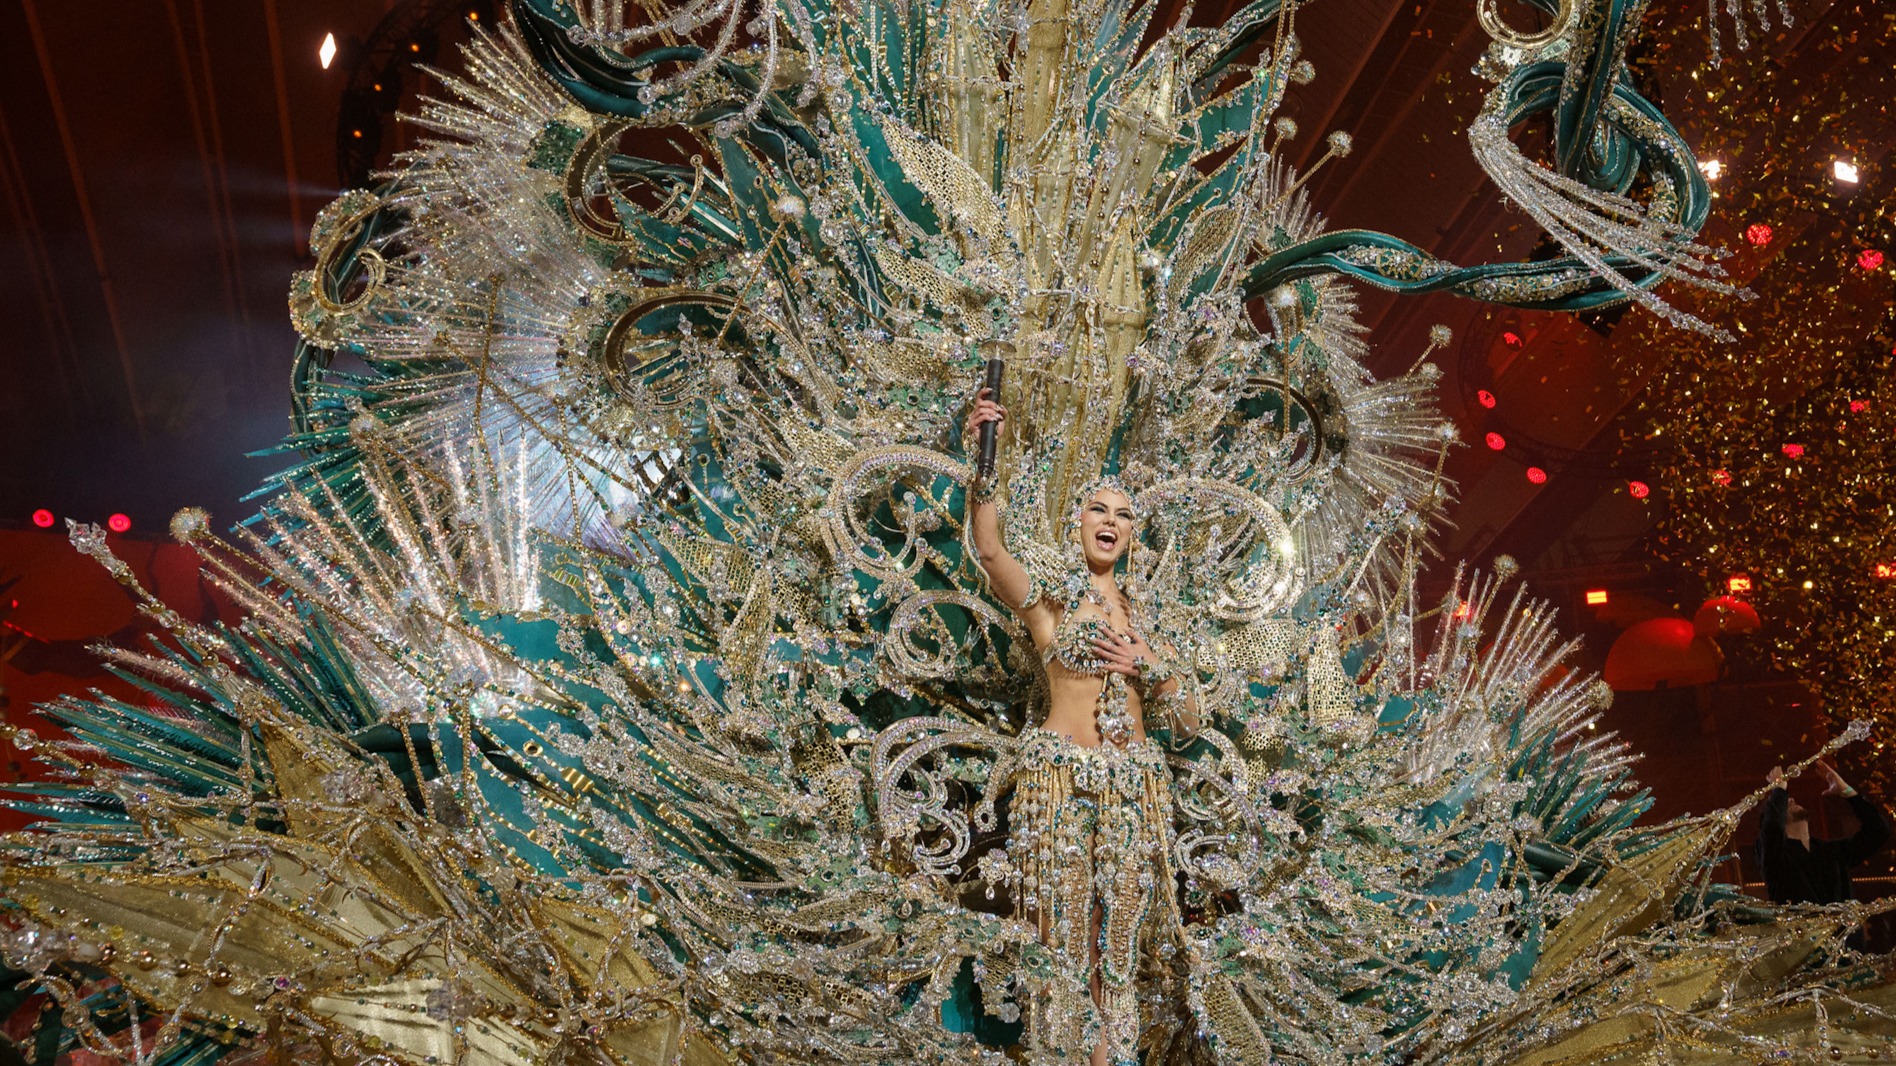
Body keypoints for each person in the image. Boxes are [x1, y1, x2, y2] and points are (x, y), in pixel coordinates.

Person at [962, 387, 1199, 1066]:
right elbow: (989, 548)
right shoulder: (1051, 605)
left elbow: (1186, 719)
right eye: (1099, 508)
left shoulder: (1149, 619)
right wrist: (982, 455)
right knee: (1062, 948)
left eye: (1124, 515)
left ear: (1131, 536)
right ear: (1078, 524)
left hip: (1135, 795)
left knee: (1118, 957)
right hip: (1061, 789)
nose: (1111, 520)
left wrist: (1145, 663)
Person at [1757, 760, 1891, 905]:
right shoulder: (1774, 856)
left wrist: (1846, 791)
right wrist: (1779, 791)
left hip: (1844, 928)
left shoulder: (1833, 852)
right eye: (1783, 803)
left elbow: (1879, 831)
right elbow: (1771, 830)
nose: (1791, 799)